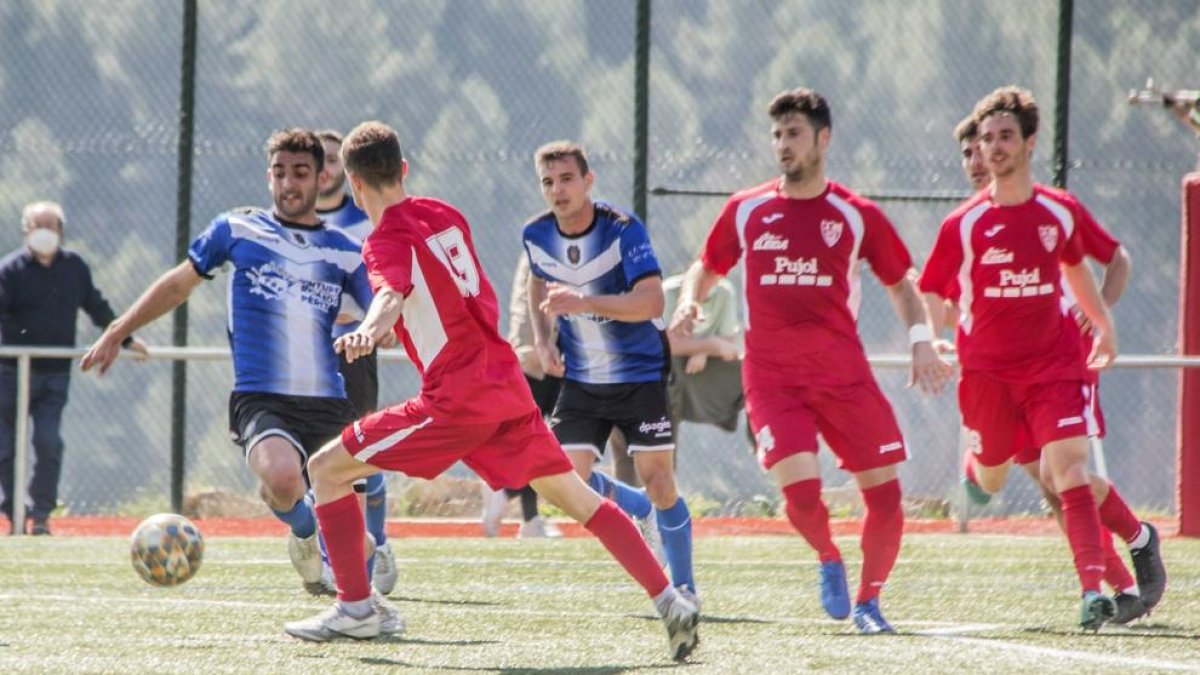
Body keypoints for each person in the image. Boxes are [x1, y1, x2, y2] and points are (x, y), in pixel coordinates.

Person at [282, 121, 699, 661]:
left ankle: (357, 608)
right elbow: (465, 293)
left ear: (356, 187)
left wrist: (369, 328)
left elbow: (390, 290)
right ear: (403, 170)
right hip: (503, 386)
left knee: (325, 468)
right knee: (579, 499)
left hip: (455, 399)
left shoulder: (384, 239)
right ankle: (671, 601)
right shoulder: (444, 214)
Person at [670, 87, 950, 634]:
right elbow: (708, 265)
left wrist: (920, 339)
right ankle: (828, 556)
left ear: (823, 138)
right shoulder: (747, 208)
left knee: (888, 501)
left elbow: (902, 285)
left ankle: (869, 603)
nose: (782, 145)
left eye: (793, 133)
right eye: (776, 135)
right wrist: (689, 301)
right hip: (773, 378)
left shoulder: (855, 213)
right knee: (800, 499)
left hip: (844, 377)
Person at [81, 129, 387, 603]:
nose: (289, 183)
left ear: (321, 176)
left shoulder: (345, 250)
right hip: (262, 395)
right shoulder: (238, 229)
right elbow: (179, 284)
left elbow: (380, 304)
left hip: (329, 399)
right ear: (269, 175)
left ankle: (356, 597)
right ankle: (304, 530)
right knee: (282, 478)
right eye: (279, 172)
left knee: (360, 547)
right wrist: (118, 329)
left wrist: (376, 327)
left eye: (300, 172)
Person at [919, 86, 1166, 630]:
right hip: (989, 375)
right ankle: (1134, 541)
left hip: (1058, 364)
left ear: (1029, 143)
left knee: (1066, 473)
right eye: (982, 143)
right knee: (1018, 482)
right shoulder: (963, 225)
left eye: (1003, 137)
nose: (989, 151)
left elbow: (1101, 262)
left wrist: (1100, 320)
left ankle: (1100, 589)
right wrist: (931, 338)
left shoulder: (1057, 211)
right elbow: (935, 293)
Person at [523, 140, 692, 596]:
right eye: (548, 182)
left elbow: (653, 301)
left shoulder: (622, 229)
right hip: (582, 377)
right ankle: (637, 507)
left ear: (588, 181)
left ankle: (686, 588)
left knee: (661, 480)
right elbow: (537, 281)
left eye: (567, 179)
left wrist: (585, 302)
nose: (558, 190)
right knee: (561, 482)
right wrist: (543, 338)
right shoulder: (536, 235)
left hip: (640, 373)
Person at [0, 201, 148, 535]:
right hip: (11, 373)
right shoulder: (9, 271)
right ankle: (14, 514)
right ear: (26, 230)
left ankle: (40, 515)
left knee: (48, 441)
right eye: (37, 226)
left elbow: (96, 305)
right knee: (6, 445)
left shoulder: (74, 268)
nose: (44, 233)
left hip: (54, 374)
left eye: (50, 226)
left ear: (61, 231)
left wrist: (123, 338)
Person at [316, 129, 396, 594]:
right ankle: (336, 556)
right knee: (317, 457)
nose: (322, 170)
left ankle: (375, 544)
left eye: (329, 160)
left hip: (352, 352)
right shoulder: (293, 226)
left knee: (358, 454)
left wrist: (370, 321)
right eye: (314, 162)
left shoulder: (365, 220)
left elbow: (381, 288)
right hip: (301, 358)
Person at [479, 252, 562, 539]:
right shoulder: (546, 248)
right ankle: (506, 492)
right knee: (540, 438)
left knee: (535, 438)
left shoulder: (539, 247)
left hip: (540, 355)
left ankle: (529, 518)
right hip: (540, 358)